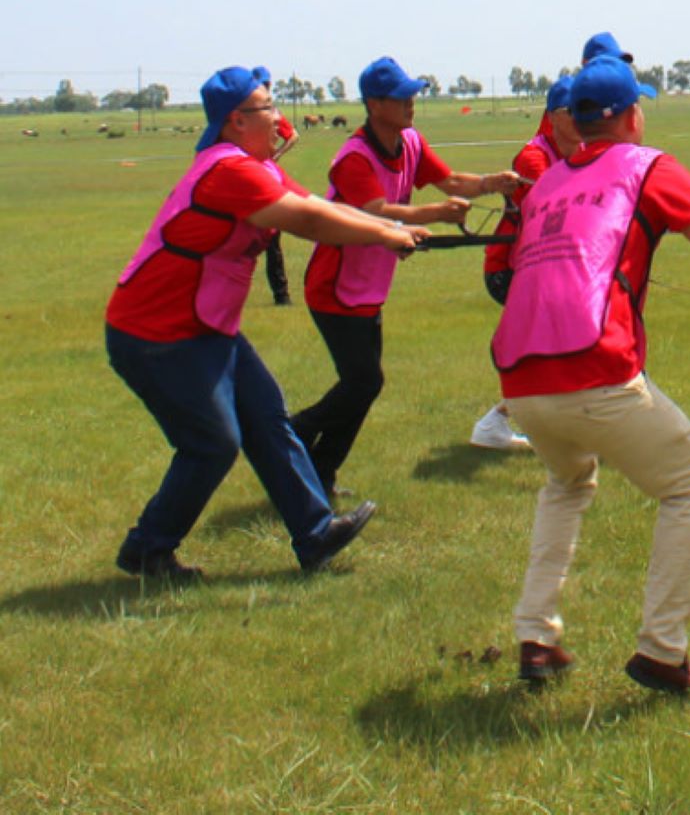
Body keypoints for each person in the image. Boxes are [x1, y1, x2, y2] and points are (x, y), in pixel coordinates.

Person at [492, 56, 690, 695]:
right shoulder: (650, 165)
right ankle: (662, 651)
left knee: (567, 482)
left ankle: (536, 636)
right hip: (597, 369)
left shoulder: (549, 181)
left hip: (522, 384)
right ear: (630, 116)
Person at [106, 66, 426, 579]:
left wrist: (391, 225)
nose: (278, 117)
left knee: (267, 417)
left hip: (205, 327)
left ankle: (316, 535)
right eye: (267, 108)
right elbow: (308, 222)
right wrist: (386, 235)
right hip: (155, 332)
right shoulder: (228, 170)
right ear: (236, 120)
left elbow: (315, 203)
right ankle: (147, 549)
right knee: (213, 442)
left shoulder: (258, 165)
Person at [292, 57, 519, 495]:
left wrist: (493, 183)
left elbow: (450, 180)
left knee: (361, 387)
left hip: (369, 286)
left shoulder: (410, 142)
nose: (411, 103)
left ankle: (320, 473)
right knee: (365, 382)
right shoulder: (353, 158)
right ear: (375, 104)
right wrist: (435, 213)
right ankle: (291, 435)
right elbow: (375, 212)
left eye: (412, 94)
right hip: (334, 286)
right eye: (401, 97)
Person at [470, 77, 581, 451]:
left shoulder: (581, 150)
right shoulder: (533, 157)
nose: (582, 116)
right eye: (573, 110)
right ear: (552, 117)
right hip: (510, 269)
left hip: (548, 267)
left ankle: (498, 422)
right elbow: (561, 210)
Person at [261, 113, 299, 306]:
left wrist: (276, 154)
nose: (276, 134)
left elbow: (293, 135)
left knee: (272, 240)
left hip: (267, 178)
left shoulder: (269, 111)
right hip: (251, 177)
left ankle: (282, 295)